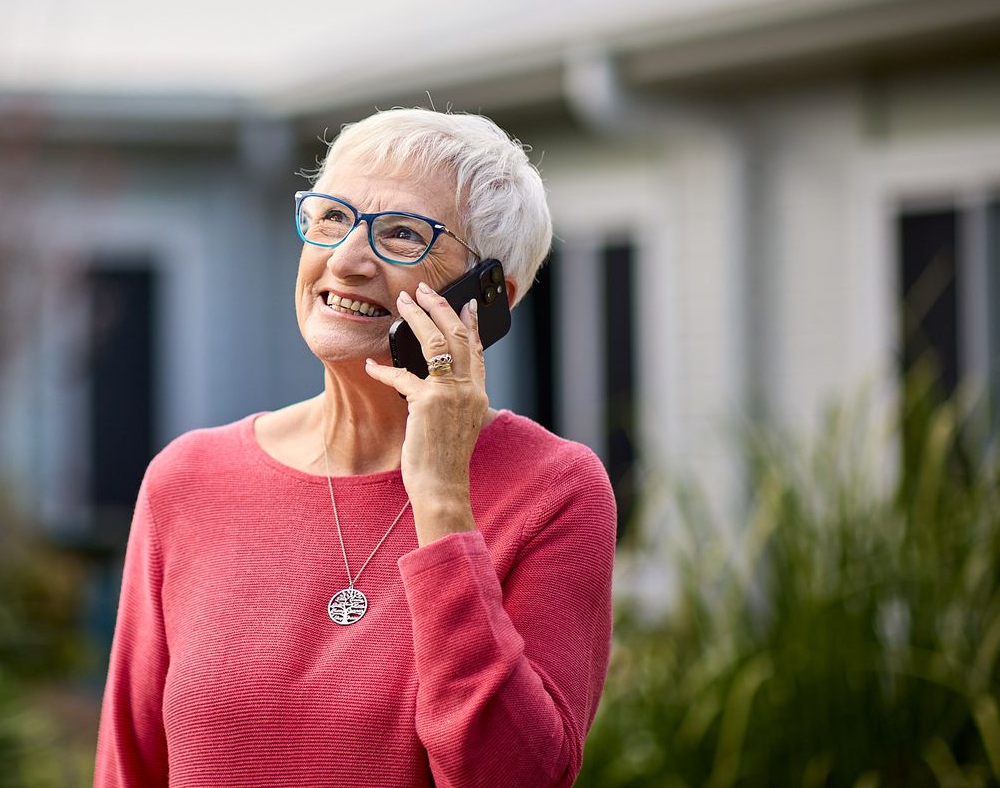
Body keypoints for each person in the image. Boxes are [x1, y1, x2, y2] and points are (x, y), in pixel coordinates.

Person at [94, 108, 617, 788]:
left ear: (489, 298)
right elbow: (128, 766)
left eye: (402, 234)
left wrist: (440, 499)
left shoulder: (555, 490)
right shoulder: (188, 479)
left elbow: (511, 775)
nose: (345, 260)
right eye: (332, 217)